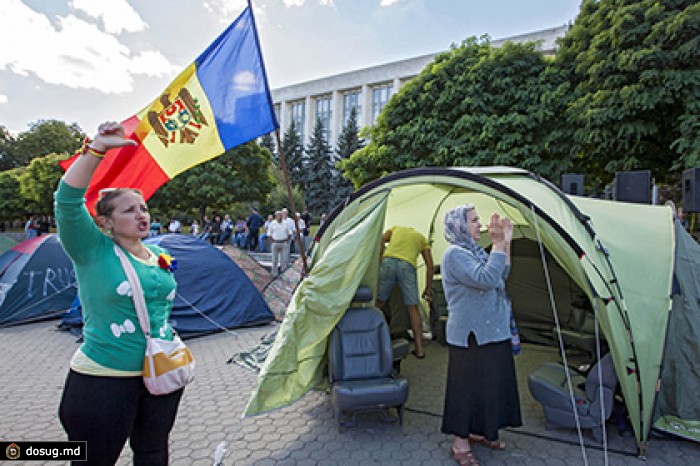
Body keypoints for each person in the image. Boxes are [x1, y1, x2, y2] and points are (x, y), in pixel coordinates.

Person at [54, 121, 184, 465]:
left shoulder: (155, 255)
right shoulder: (92, 249)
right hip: (103, 381)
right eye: (129, 210)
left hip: (159, 375)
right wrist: (97, 148)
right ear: (106, 222)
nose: (141, 214)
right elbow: (67, 201)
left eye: (143, 208)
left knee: (154, 452)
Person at [440, 205, 521, 466]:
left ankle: (482, 432)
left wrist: (505, 243)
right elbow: (485, 279)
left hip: (492, 332)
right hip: (470, 336)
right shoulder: (455, 254)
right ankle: (459, 443)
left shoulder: (474, 252)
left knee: (490, 387)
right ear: (460, 226)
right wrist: (497, 245)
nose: (481, 225)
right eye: (474, 220)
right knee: (466, 391)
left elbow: (501, 275)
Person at [375, 226, 434, 359]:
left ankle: (367, 339)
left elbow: (379, 239)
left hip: (388, 262)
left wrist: (380, 257)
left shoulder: (396, 229)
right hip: (407, 266)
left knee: (379, 303)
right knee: (412, 307)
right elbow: (430, 266)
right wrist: (428, 289)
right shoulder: (423, 239)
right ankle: (420, 350)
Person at [268, 210, 291, 276]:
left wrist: (286, 240)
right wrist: (273, 241)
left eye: (281, 215)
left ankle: (284, 273)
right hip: (275, 242)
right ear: (276, 216)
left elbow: (289, 233)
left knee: (284, 259)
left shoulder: (286, 223)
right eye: (278, 215)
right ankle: (274, 273)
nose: (280, 217)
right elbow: (269, 234)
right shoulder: (272, 223)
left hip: (284, 242)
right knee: (274, 259)